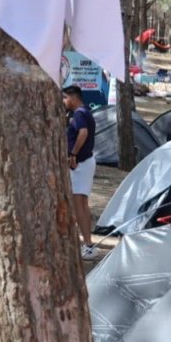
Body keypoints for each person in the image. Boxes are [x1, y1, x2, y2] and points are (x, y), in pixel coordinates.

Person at [63, 85, 99, 260]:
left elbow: (83, 133)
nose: (64, 102)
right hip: (85, 163)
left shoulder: (79, 114)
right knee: (81, 204)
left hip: (81, 163)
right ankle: (87, 242)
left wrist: (73, 154)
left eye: (65, 98)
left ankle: (88, 244)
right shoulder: (85, 113)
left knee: (79, 204)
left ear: (72, 97)